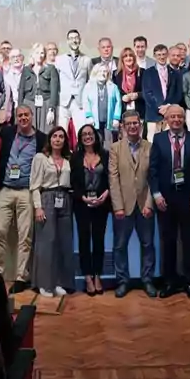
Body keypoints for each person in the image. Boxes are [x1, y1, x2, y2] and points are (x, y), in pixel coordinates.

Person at [149, 105, 190, 298]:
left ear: (184, 119)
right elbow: (153, 170)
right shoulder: (158, 139)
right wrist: (156, 195)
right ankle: (169, 282)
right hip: (166, 197)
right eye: (172, 116)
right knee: (168, 241)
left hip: (189, 196)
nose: (176, 119)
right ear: (166, 119)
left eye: (179, 117)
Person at [0, 106, 42, 292]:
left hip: (26, 191)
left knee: (25, 236)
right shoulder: (6, 133)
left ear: (31, 117)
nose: (23, 118)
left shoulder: (41, 138)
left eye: (26, 115)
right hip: (5, 189)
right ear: (16, 118)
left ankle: (22, 277)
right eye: (20, 115)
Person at [108, 110, 157, 297]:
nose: (132, 126)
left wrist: (150, 204)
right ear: (123, 127)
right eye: (128, 124)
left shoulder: (150, 147)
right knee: (120, 246)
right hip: (123, 206)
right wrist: (118, 206)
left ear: (141, 124)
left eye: (135, 123)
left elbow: (154, 178)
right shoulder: (115, 148)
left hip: (145, 204)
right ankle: (122, 281)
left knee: (148, 245)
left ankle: (147, 280)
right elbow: (113, 179)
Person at [31, 127, 75, 297]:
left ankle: (59, 282)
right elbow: (34, 185)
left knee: (63, 242)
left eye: (61, 137)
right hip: (47, 198)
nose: (58, 139)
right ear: (49, 139)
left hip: (64, 198)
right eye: (55, 136)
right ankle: (43, 284)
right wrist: (38, 207)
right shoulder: (41, 158)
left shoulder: (68, 158)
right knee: (46, 242)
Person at [72, 124, 110, 294]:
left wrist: (106, 194)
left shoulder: (105, 155)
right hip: (82, 203)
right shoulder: (75, 157)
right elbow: (73, 182)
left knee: (99, 240)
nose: (88, 136)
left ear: (95, 136)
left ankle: (97, 275)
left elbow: (111, 177)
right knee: (84, 240)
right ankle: (87, 276)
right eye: (84, 134)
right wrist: (82, 197)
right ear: (80, 138)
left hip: (102, 203)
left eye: (91, 133)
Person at [142, 44, 182, 139]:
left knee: (169, 142)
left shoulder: (174, 73)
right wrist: (159, 108)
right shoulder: (148, 73)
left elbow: (178, 93)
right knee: (152, 142)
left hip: (170, 113)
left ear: (167, 55)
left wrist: (168, 106)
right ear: (154, 56)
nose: (162, 57)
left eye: (164, 54)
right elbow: (146, 93)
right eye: (159, 55)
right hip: (153, 113)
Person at [56, 29, 91, 133]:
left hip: (80, 102)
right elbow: (56, 80)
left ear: (80, 40)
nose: (74, 41)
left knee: (81, 132)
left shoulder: (87, 60)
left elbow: (90, 81)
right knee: (61, 132)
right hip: (63, 101)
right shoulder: (59, 60)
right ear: (67, 41)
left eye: (76, 38)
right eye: (71, 38)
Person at [19, 43, 56, 131]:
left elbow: (54, 90)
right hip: (29, 103)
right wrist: (20, 108)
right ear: (32, 54)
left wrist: (51, 109)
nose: (40, 55)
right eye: (37, 53)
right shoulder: (26, 69)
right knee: (29, 131)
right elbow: (21, 90)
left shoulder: (51, 69)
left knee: (46, 132)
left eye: (42, 53)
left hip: (45, 104)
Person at [82, 62, 122, 144]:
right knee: (96, 143)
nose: (103, 73)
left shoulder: (113, 87)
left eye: (105, 71)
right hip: (94, 121)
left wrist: (116, 118)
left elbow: (118, 103)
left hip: (109, 121)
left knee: (109, 145)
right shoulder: (88, 86)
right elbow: (85, 102)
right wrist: (89, 116)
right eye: (100, 71)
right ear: (95, 72)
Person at [113, 47, 146, 125]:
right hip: (123, 112)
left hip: (139, 112)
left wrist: (138, 95)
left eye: (130, 56)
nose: (128, 58)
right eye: (125, 56)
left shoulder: (142, 72)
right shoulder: (115, 74)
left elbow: (147, 91)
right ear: (122, 59)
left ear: (134, 58)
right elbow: (113, 93)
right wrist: (122, 97)